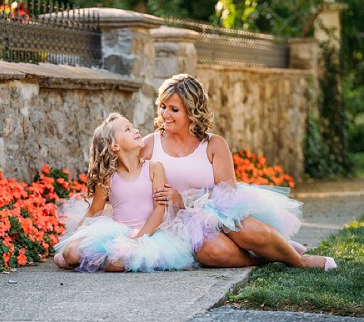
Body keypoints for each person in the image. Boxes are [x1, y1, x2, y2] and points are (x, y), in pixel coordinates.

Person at [140, 73, 337, 271]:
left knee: (250, 232)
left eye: (174, 109)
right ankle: (264, 258)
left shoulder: (213, 144)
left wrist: (185, 200)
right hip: (176, 225)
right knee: (212, 252)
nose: (165, 114)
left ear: (192, 112)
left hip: (217, 212)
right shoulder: (150, 145)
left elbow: (227, 194)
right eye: (163, 107)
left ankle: (299, 261)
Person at [53, 112, 194, 272]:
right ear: (115, 146)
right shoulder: (108, 177)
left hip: (148, 235)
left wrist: (137, 240)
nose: (135, 130)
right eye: (127, 129)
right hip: (116, 233)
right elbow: (94, 212)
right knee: (70, 253)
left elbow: (159, 211)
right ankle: (85, 259)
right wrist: (74, 239)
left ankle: (96, 261)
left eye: (133, 127)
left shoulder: (154, 168)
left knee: (119, 260)